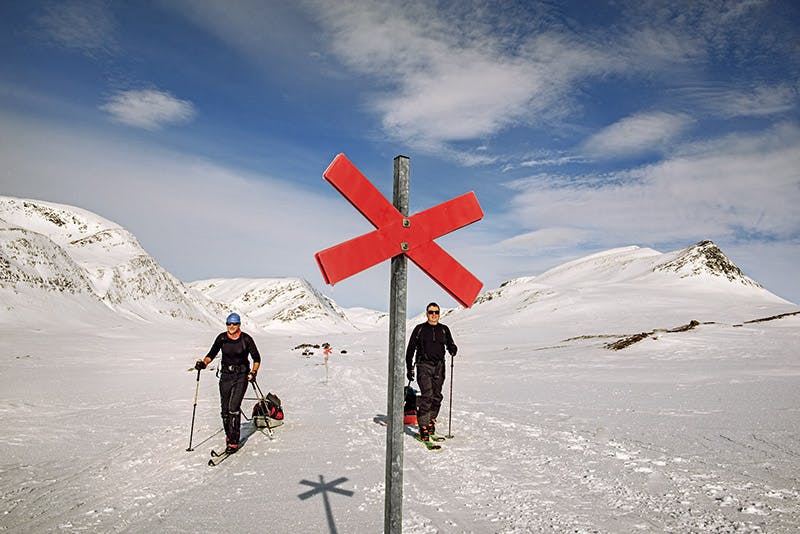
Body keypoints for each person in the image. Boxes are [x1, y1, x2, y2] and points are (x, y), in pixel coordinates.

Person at [195, 313, 261, 454]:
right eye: (229, 324)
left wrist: (253, 372)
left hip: (242, 376)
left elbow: (256, 358)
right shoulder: (222, 338)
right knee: (224, 411)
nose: (231, 326)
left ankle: (233, 440)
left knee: (233, 408)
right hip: (225, 376)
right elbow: (212, 353)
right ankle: (229, 435)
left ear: (239, 325)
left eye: (234, 324)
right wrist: (204, 363)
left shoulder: (246, 339)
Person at [405, 302, 457, 442]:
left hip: (439, 366)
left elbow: (450, 344)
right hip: (423, 365)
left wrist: (453, 349)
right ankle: (423, 428)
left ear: (439, 314)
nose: (434, 315)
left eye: (436, 312)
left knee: (437, 396)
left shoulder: (444, 329)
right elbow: (410, 350)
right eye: (431, 312)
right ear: (426, 313)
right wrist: (409, 368)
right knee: (427, 395)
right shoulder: (420, 329)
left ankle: (430, 422)